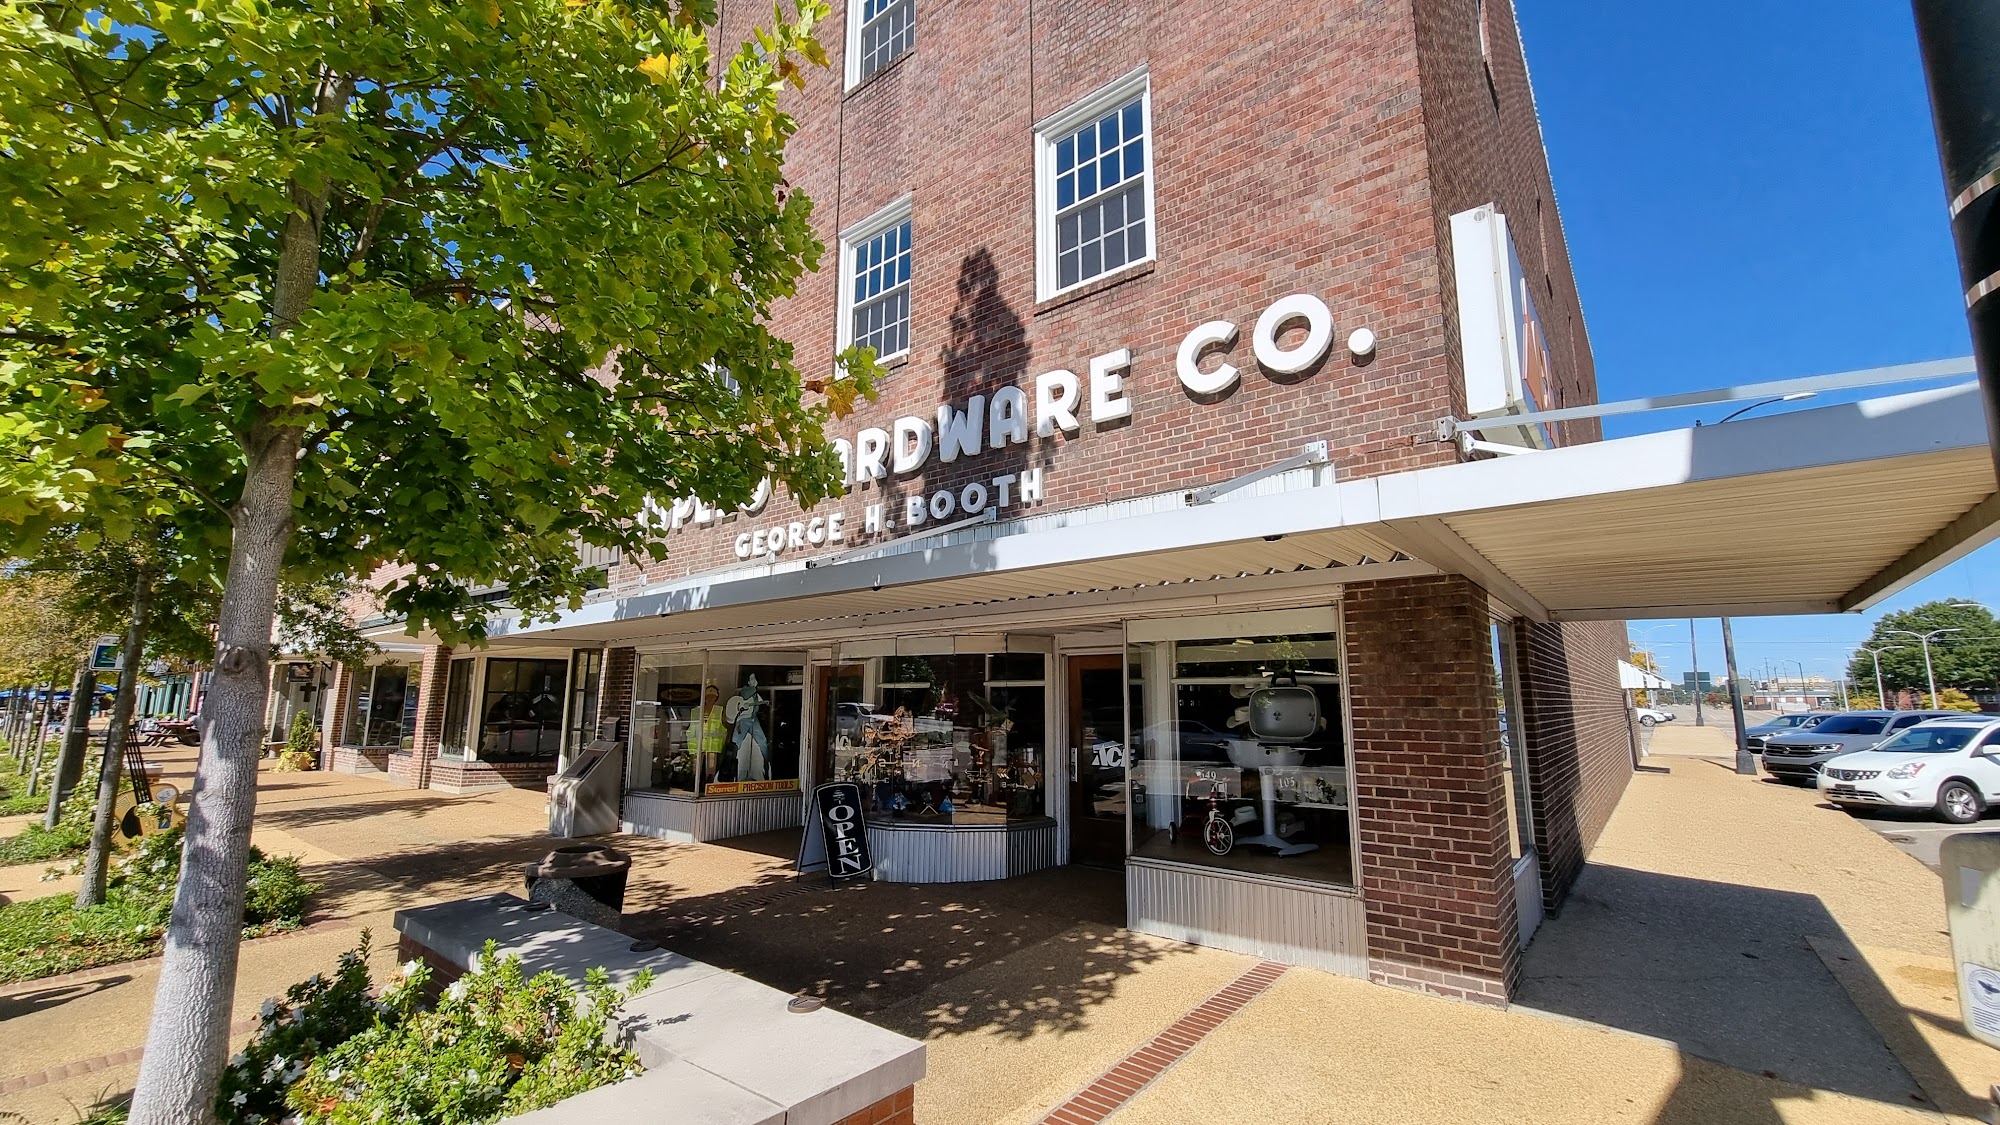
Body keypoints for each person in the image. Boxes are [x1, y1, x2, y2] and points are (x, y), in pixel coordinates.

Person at [692, 684, 729, 787]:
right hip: (698, 744)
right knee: (696, 766)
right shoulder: (696, 711)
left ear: (716, 698)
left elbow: (726, 726)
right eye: (708, 696)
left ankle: (709, 783)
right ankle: (695, 783)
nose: (710, 698)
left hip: (713, 744)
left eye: (713, 696)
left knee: (711, 767)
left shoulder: (720, 711)